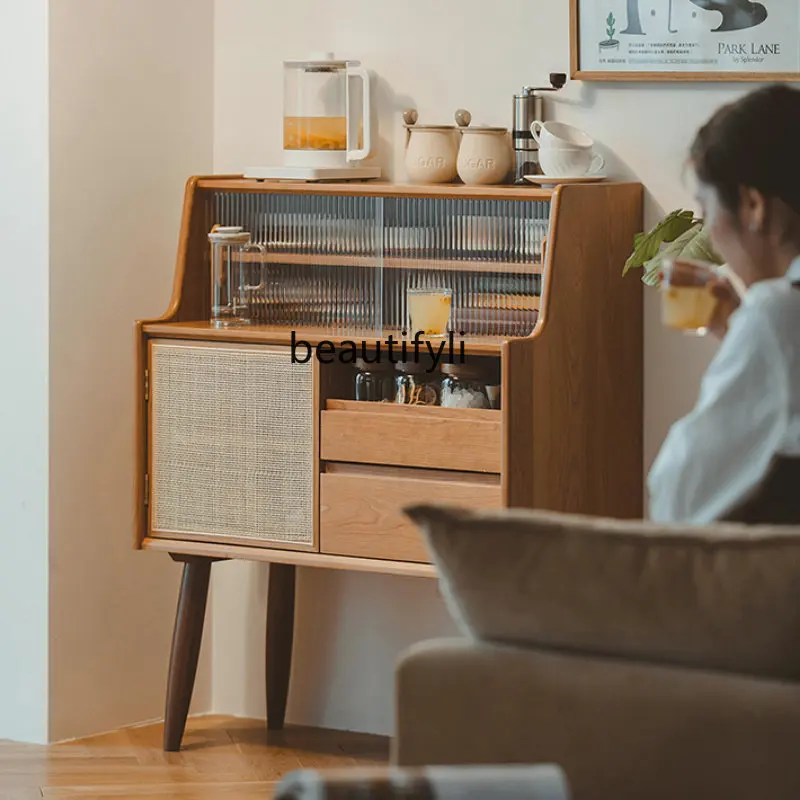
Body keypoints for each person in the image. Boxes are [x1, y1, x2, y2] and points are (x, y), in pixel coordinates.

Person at [648, 84, 800, 524]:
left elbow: (679, 496)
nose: (710, 230)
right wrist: (739, 331)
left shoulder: (776, 316)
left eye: (705, 207)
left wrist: (755, 326)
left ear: (753, 205)